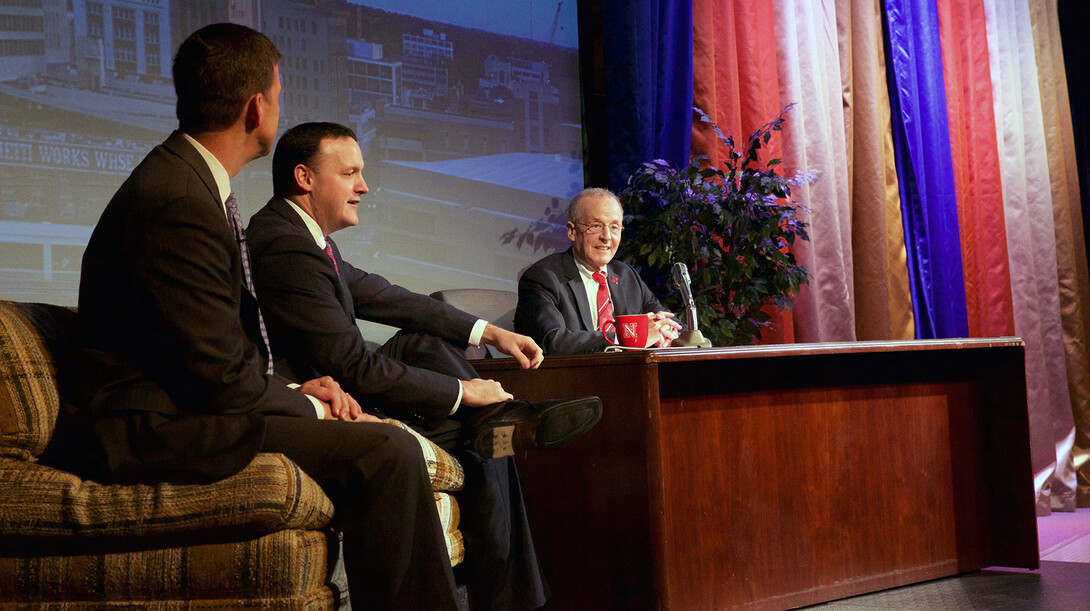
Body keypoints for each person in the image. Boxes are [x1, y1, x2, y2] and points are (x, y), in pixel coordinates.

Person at [43, 24, 458, 610]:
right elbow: (218, 375)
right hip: (149, 429)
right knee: (386, 452)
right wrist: (312, 406)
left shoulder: (185, 181)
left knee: (381, 439)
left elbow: (210, 351)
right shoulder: (180, 202)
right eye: (280, 95)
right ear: (256, 107)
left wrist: (290, 388)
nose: (278, 108)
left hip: (182, 404)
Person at [246, 121, 602, 610]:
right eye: (350, 173)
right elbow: (353, 368)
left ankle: (496, 424)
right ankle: (514, 590)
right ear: (305, 178)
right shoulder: (285, 244)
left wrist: (489, 332)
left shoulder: (305, 239)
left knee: (428, 349)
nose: (364, 187)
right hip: (322, 393)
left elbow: (393, 299)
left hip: (342, 377)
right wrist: (464, 392)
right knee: (474, 428)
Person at [515, 187, 682, 354]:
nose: (607, 236)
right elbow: (552, 341)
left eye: (615, 227)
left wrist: (668, 331)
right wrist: (626, 337)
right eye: (596, 226)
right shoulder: (543, 277)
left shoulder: (625, 275)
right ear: (572, 231)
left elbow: (667, 319)